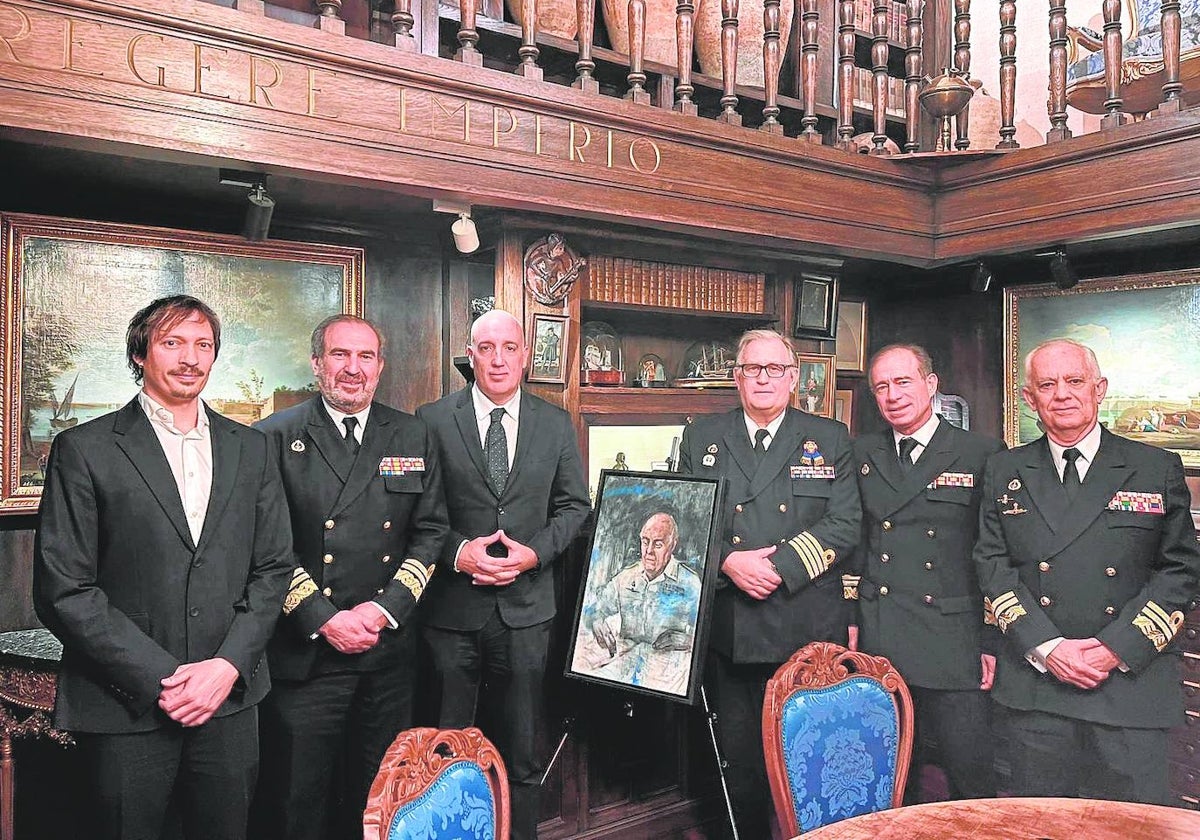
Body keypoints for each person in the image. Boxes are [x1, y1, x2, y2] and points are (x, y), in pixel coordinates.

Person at [33, 295, 293, 840]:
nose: (190, 358)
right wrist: (165, 680)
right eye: (172, 342)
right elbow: (65, 588)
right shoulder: (84, 448)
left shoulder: (251, 448)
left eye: (203, 344)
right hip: (125, 705)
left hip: (229, 701)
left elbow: (272, 570)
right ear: (140, 354)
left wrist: (225, 668)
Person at [974, 338, 1200, 803]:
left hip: (1130, 685)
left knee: (1136, 831)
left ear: (1100, 389)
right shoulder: (1004, 470)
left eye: (1075, 381)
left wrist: (1115, 649)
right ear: (1028, 397)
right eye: (1048, 384)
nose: (1062, 394)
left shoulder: (1153, 468)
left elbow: (1180, 571)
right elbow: (993, 566)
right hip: (1037, 686)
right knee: (1039, 824)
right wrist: (1048, 647)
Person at [250, 315, 448, 840]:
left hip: (386, 654)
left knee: (380, 799)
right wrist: (324, 617)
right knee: (297, 800)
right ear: (317, 364)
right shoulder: (272, 437)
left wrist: (382, 611)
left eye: (365, 358)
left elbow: (429, 534)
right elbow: (264, 546)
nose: (352, 369)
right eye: (340, 355)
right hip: (306, 654)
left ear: (380, 367)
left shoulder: (411, 433)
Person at [679, 328, 861, 837]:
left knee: (811, 759)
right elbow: (684, 519)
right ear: (736, 378)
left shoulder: (829, 437)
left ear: (793, 378)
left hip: (803, 625)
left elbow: (845, 525)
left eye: (774, 369)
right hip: (732, 629)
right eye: (751, 369)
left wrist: (777, 566)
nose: (763, 378)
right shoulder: (702, 436)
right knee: (737, 766)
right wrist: (727, 563)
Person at [416, 309, 590, 840]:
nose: (497, 359)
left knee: (520, 750)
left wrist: (532, 555)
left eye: (509, 348)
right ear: (471, 355)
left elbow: (574, 510)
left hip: (527, 613)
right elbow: (416, 516)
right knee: (445, 750)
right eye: (486, 348)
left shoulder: (555, 422)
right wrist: (459, 552)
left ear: (525, 357)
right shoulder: (430, 420)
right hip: (450, 613)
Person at [846, 344, 1004, 802]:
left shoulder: (981, 453)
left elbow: (995, 555)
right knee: (894, 774)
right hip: (883, 632)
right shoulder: (862, 453)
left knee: (970, 772)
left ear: (931, 385)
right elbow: (856, 544)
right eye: (882, 386)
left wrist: (990, 639)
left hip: (953, 639)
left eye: (903, 382)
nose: (893, 395)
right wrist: (851, 618)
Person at [583, 512, 701, 694]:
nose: (649, 551)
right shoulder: (625, 577)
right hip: (624, 663)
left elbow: (707, 633)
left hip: (666, 671)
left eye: (658, 544)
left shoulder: (690, 583)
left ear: (673, 545)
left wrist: (688, 641)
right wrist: (596, 622)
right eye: (645, 542)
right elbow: (593, 609)